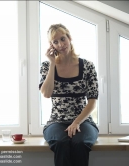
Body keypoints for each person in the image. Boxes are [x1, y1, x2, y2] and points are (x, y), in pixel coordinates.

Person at [39, 24, 99, 166]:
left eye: (63, 39)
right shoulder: (46, 66)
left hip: (84, 121)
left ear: (69, 38)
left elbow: (92, 102)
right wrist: (52, 63)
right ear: (51, 45)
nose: (61, 44)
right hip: (56, 121)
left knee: (80, 143)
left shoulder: (88, 66)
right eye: (55, 42)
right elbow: (46, 94)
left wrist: (76, 122)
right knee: (61, 143)